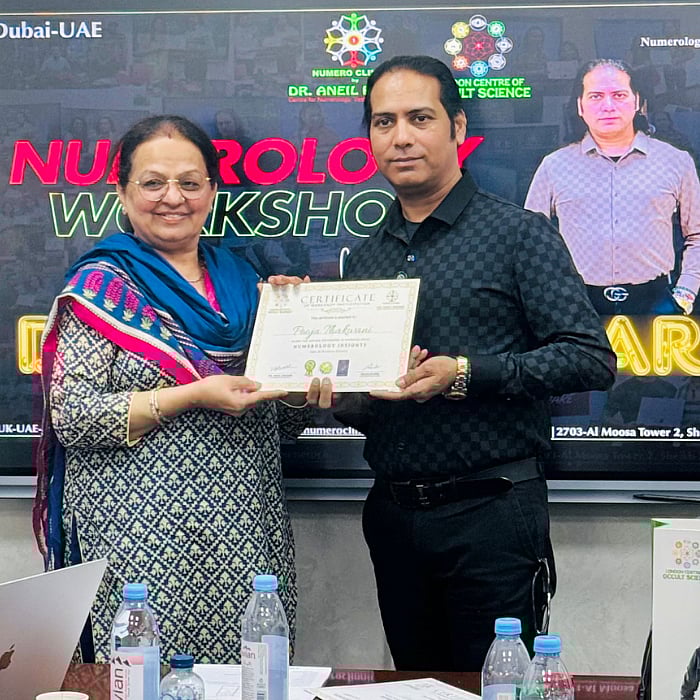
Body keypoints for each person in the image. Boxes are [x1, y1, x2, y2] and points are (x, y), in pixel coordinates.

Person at [333, 55, 616, 671]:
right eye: (383, 121)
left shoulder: (518, 234)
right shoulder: (367, 256)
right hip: (392, 515)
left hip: (492, 513)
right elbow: (375, 404)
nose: (401, 137)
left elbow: (590, 359)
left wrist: (465, 374)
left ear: (457, 127)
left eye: (420, 118)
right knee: (414, 684)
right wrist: (329, 390)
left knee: (498, 686)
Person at [32, 114, 327, 664]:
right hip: (136, 543)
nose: (173, 198)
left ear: (211, 192)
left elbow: (282, 421)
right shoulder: (100, 288)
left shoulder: (247, 284)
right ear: (122, 192)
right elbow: (72, 416)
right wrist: (191, 395)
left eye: (190, 183)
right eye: (153, 183)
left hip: (244, 536)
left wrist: (298, 356)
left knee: (250, 680)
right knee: (144, 680)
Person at [525, 58, 700, 316]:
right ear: (580, 106)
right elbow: (529, 240)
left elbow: (696, 235)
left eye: (619, 95)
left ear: (637, 101)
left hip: (656, 303)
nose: (608, 106)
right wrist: (549, 296)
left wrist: (685, 292)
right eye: (596, 96)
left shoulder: (675, 161)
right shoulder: (555, 166)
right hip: (576, 303)